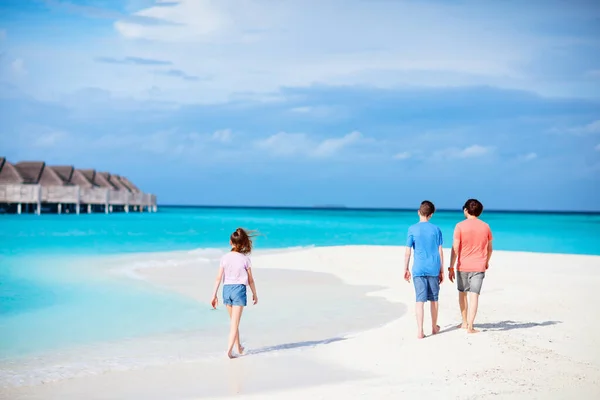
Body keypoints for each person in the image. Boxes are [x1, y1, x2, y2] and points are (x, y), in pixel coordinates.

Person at [211, 228, 259, 358]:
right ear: (243, 244)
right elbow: (250, 280)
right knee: (234, 323)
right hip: (239, 290)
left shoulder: (224, 258)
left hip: (226, 290)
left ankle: (239, 347)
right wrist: (254, 294)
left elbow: (218, 278)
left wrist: (214, 295)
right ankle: (229, 350)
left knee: (233, 321)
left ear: (230, 242)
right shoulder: (245, 259)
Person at [448, 199, 493, 334]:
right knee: (475, 295)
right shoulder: (486, 226)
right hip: (479, 265)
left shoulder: (460, 226)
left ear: (466, 210)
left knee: (462, 294)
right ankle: (470, 326)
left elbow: (455, 247)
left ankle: (464, 322)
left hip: (463, 266)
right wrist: (486, 261)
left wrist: (451, 266)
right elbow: (490, 249)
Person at [404, 200, 444, 339]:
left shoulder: (412, 229)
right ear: (431, 215)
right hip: (433, 267)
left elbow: (408, 251)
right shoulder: (436, 229)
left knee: (419, 300)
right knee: (434, 299)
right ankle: (434, 327)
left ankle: (420, 331)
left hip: (418, 268)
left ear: (418, 212)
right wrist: (442, 270)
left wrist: (406, 268)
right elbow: (440, 251)